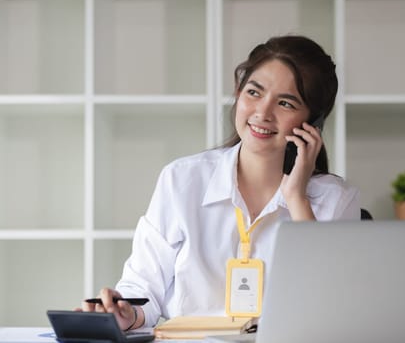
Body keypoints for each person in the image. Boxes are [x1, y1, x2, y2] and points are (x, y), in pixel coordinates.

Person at [80, 35, 360, 330]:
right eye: (254, 92)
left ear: (312, 122)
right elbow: (143, 288)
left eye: (286, 103)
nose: (262, 113)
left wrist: (296, 198)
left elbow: (334, 308)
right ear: (238, 93)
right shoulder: (182, 180)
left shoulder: (336, 200)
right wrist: (127, 314)